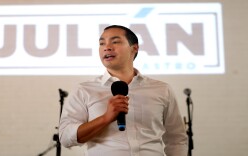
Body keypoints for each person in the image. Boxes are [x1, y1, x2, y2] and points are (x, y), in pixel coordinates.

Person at [59, 25, 188, 156]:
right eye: (102, 43)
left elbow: (176, 139)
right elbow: (65, 137)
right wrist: (105, 118)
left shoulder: (161, 89)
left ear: (134, 48)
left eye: (115, 42)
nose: (107, 47)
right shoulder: (84, 90)